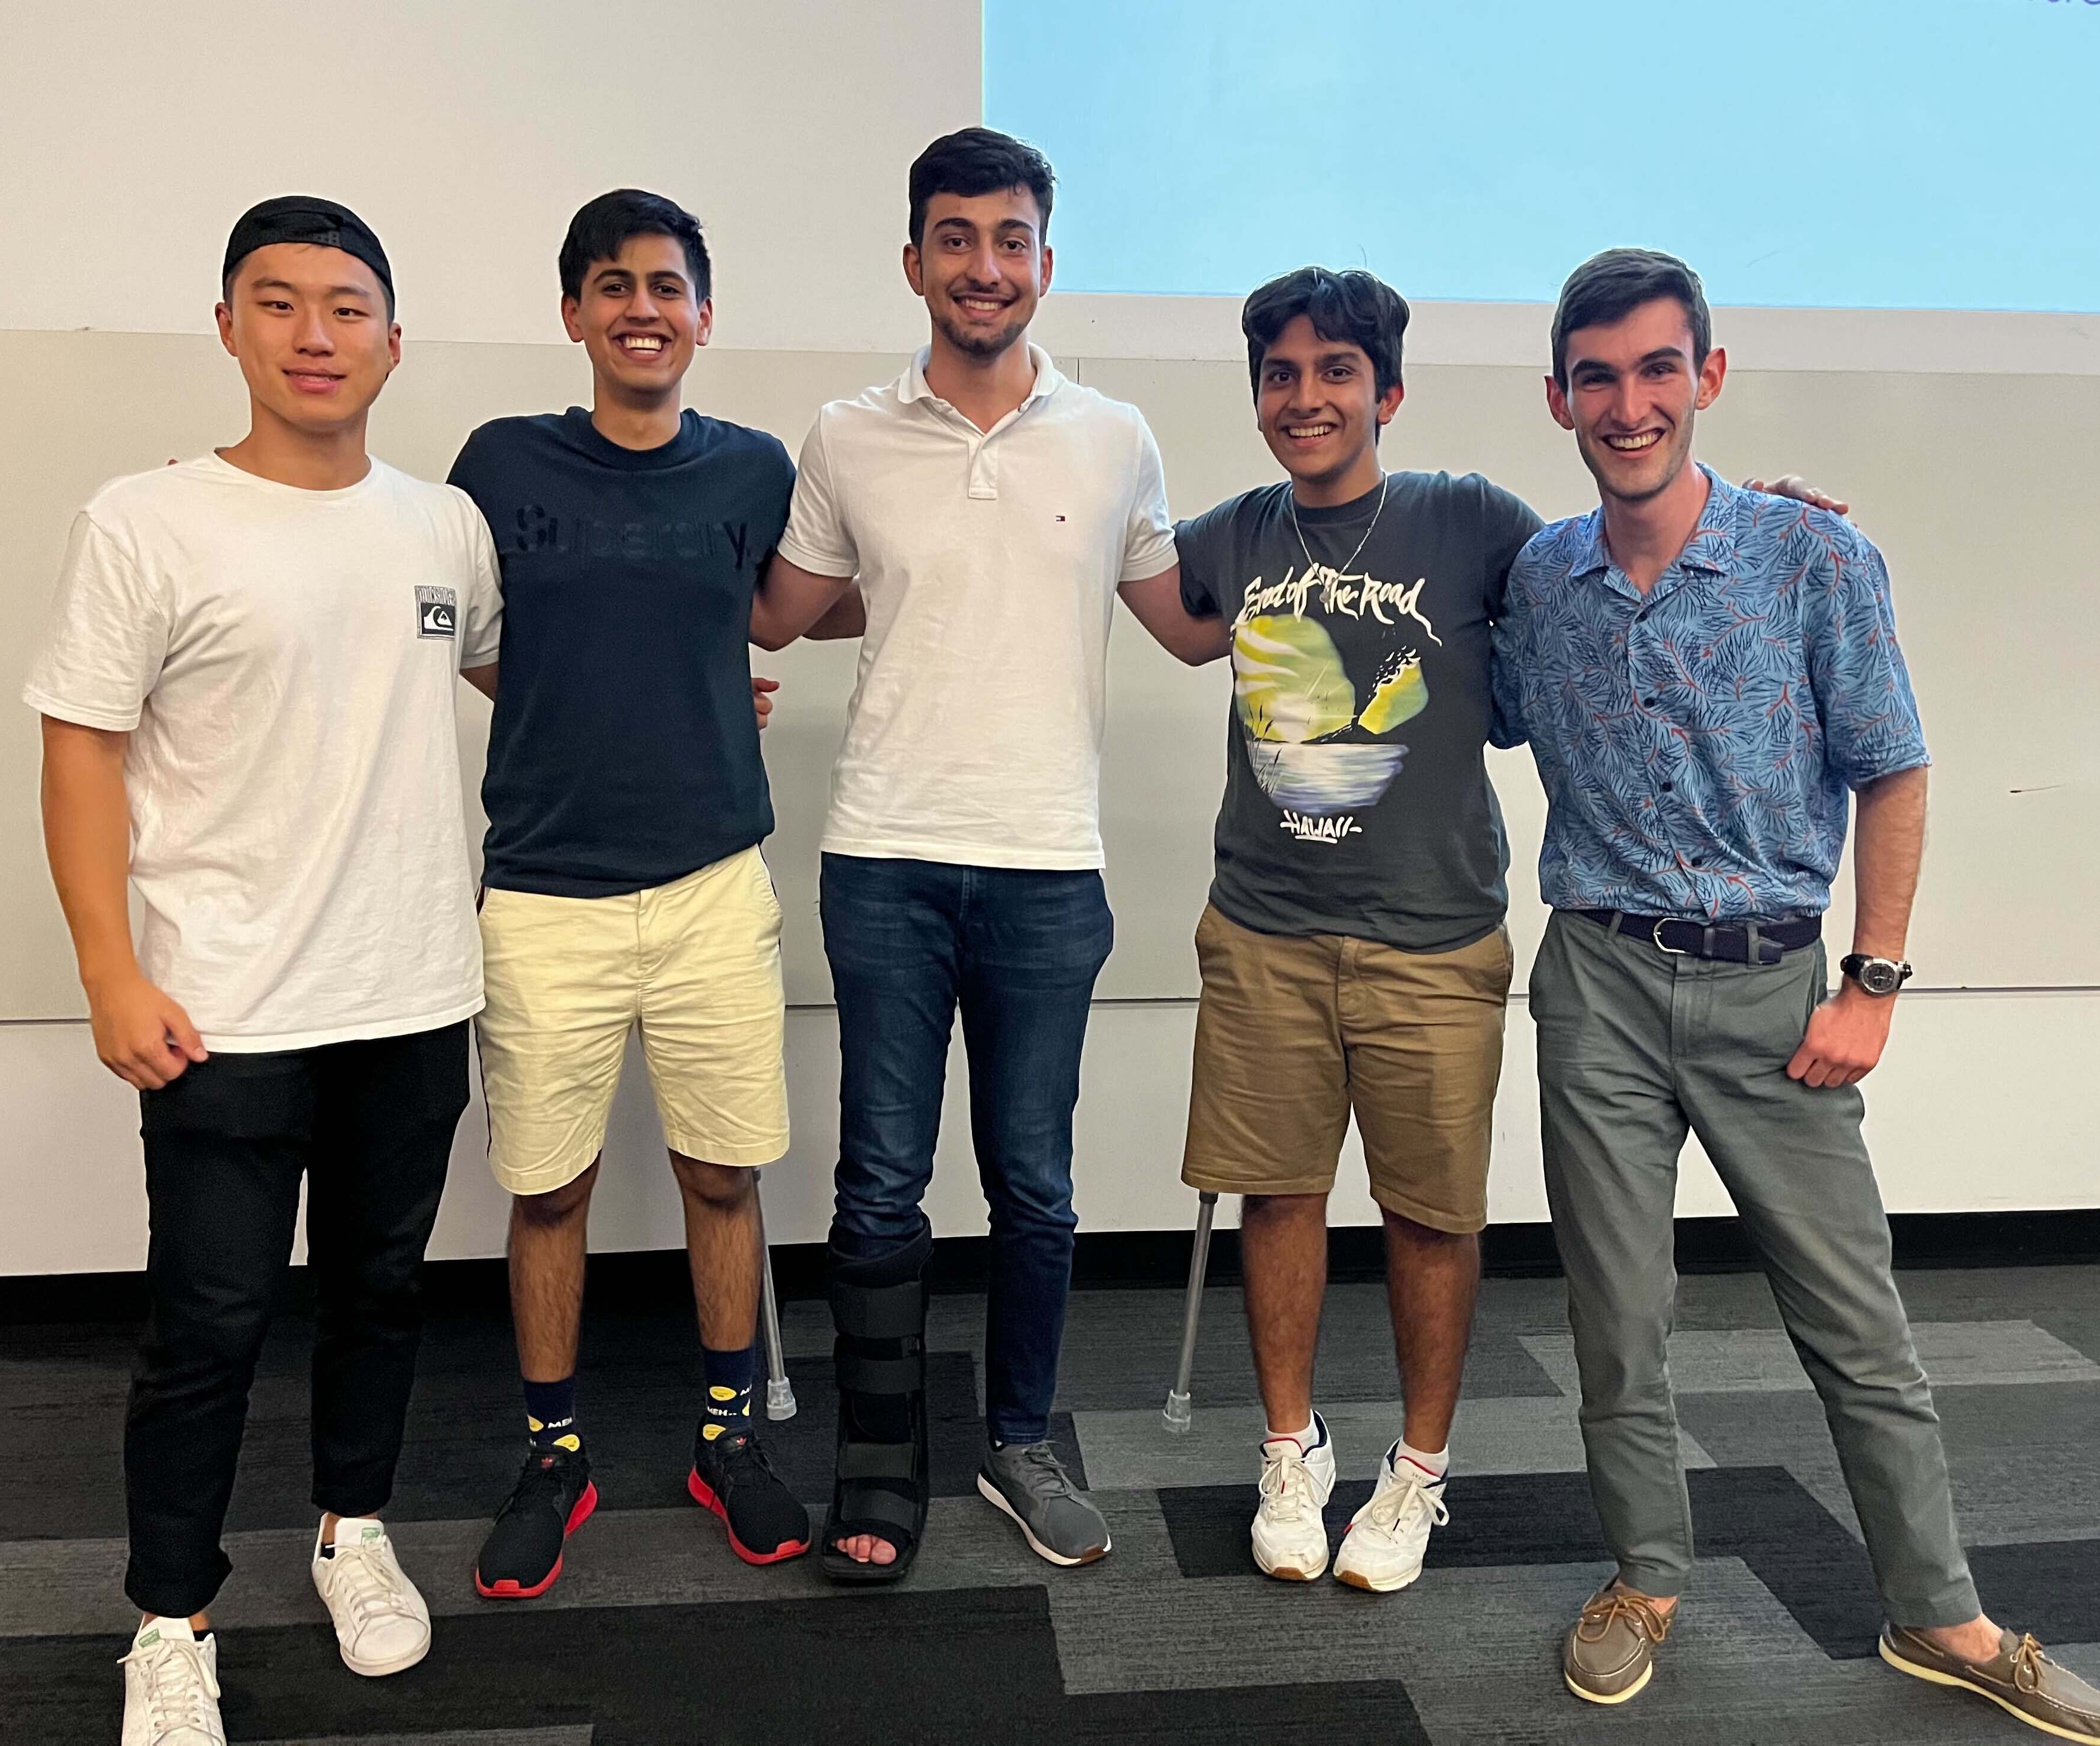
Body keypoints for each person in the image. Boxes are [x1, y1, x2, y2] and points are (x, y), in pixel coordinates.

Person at [1493, 247, 2099, 1740]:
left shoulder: (1810, 556)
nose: (1626, 405)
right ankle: (1642, 1577)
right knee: (1614, 1318)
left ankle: (1936, 1611)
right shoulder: (1537, 578)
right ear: (1558, 394)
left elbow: (1890, 769)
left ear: (1704, 375)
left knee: (1855, 1325)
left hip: (1775, 989)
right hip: (1597, 989)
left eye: (1654, 370)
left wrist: (1870, 983)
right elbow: (1480, 707)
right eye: (1596, 376)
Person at [1172, 268, 1840, 1597]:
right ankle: (1290, 1447)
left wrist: (1759, 519)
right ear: (1256, 397)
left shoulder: (1468, 519)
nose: (1307, 398)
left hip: (1432, 937)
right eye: (1281, 376)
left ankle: (1417, 1473)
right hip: (1261, 931)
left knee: (1429, 1213)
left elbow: (1616, 555)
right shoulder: (1229, 534)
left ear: (1388, 392)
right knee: (1279, 1194)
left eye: (1336, 373)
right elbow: (1141, 595)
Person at [27, 197, 501, 1745]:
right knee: (207, 1323)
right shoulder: (146, 520)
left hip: (415, 990)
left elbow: (515, 669)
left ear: (391, 339)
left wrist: (695, 685)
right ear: (227, 326)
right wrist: (110, 966)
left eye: (347, 306)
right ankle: (170, 1616)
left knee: (378, 1290)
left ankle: (351, 1524)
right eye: (281, 303)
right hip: (222, 1003)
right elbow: (81, 751)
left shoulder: (443, 525)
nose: (316, 334)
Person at [750, 127, 1217, 1582]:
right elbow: (785, 607)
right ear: (913, 262)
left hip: (1045, 872)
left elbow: (1191, 621)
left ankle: (1020, 1441)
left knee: (1035, 1182)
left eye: (1009, 239)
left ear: (1043, 264)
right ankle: (876, 1472)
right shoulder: (845, 435)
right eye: (955, 238)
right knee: (877, 1184)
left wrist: (1415, 558)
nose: (983, 266)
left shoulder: (1112, 435)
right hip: (883, 858)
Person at [447, 189, 811, 1598]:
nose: (641, 308)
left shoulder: (752, 471)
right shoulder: (499, 462)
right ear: (573, 313)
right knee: (548, 1190)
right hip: (543, 898)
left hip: (714, 883)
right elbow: (479, 640)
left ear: (702, 315)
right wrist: (589, 700)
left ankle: (727, 1437)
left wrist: (696, 696)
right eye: (613, 285)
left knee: (723, 1172)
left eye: (666, 285)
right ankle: (555, 1453)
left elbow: (786, 602)